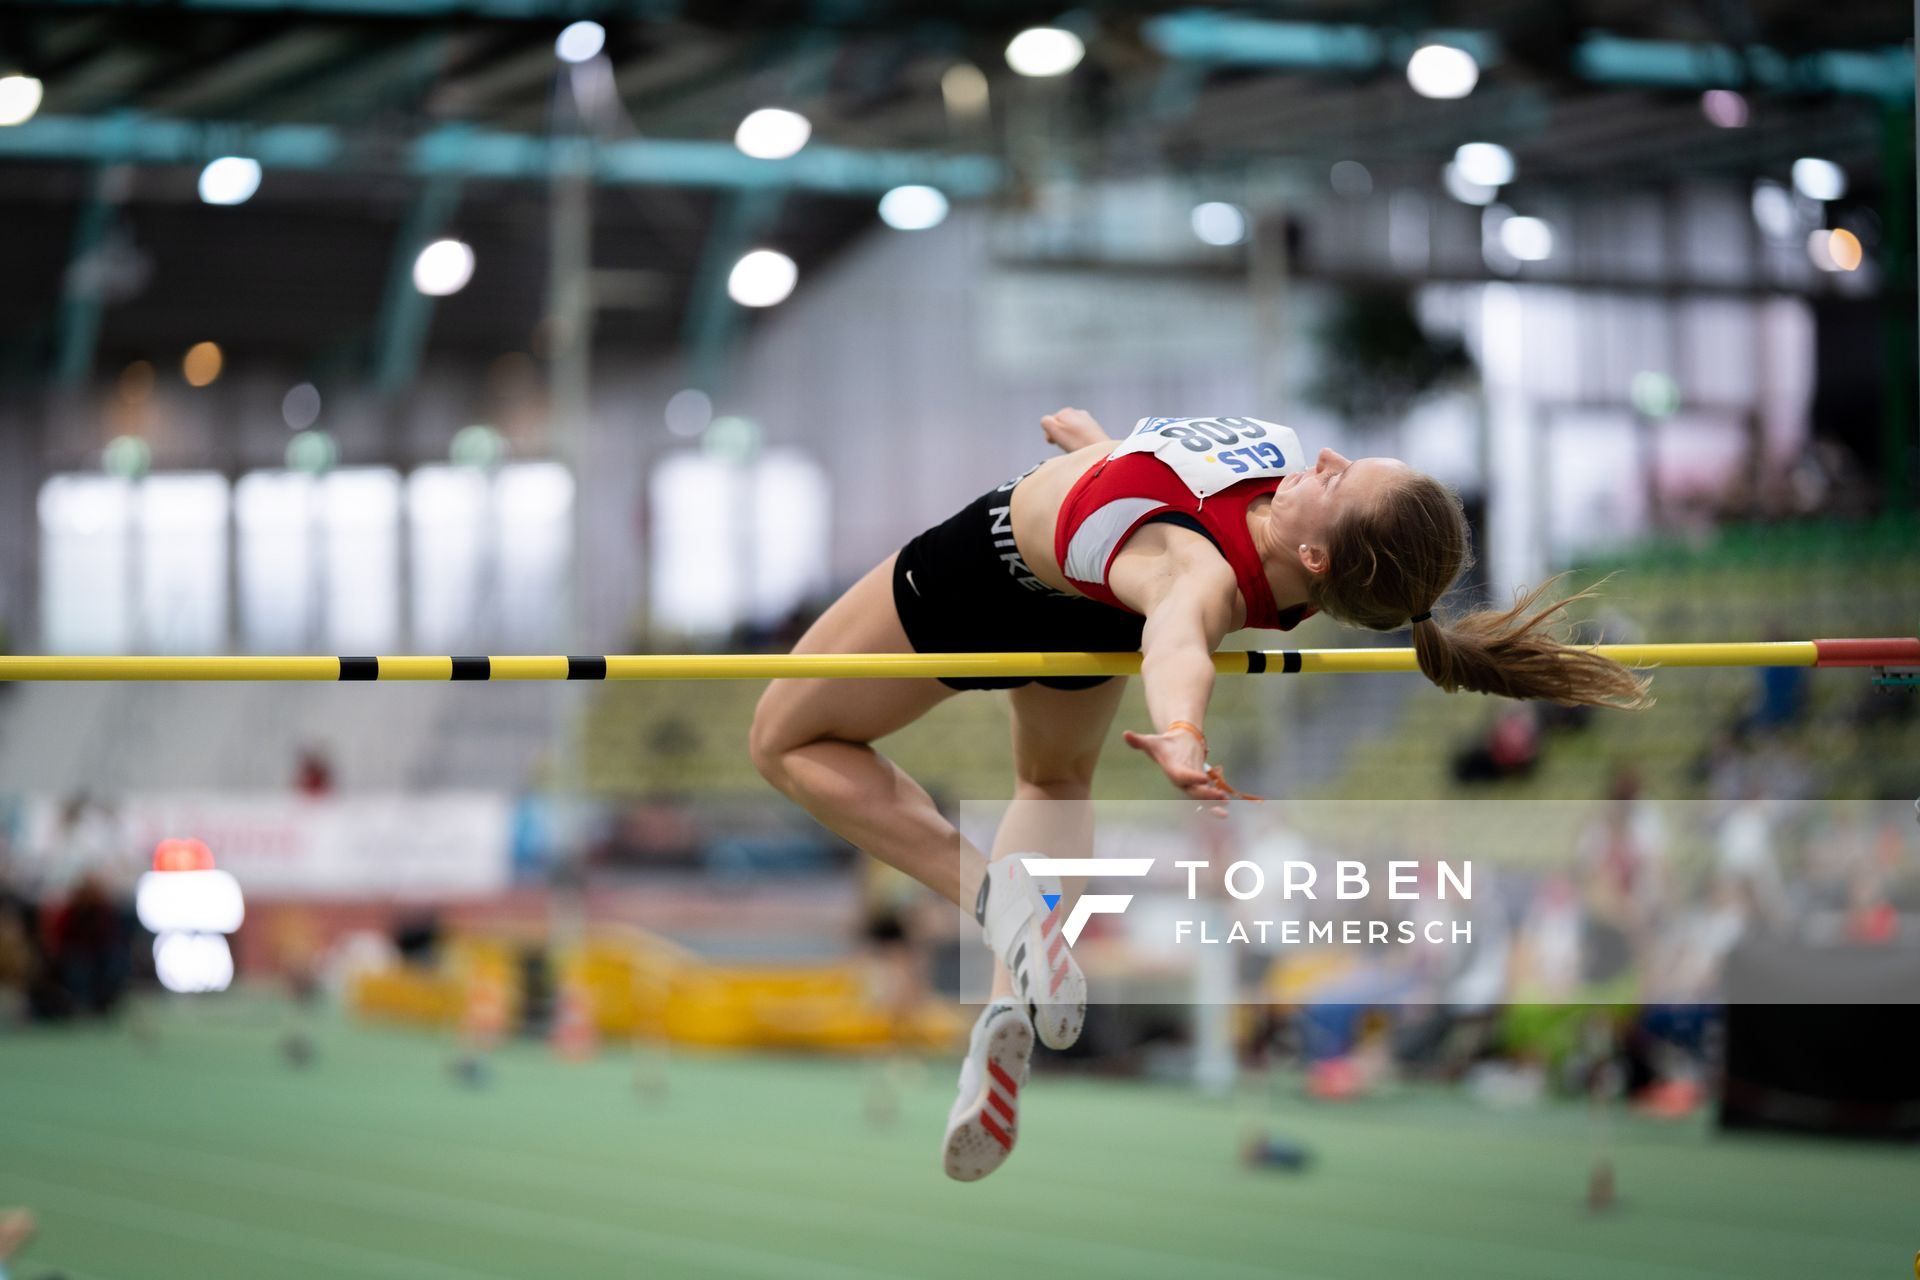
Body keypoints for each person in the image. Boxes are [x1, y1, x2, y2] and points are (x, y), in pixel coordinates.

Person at [750, 407, 1647, 1181]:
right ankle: (1003, 1012)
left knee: (785, 740)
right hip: (1091, 598)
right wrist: (1094, 452)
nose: (1324, 460)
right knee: (1054, 778)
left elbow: (1178, 634)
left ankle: (993, 899)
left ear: (1311, 549)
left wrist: (1181, 729)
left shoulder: (1199, 574)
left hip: (984, 573)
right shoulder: (1263, 519)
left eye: (1338, 480)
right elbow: (1154, 510)